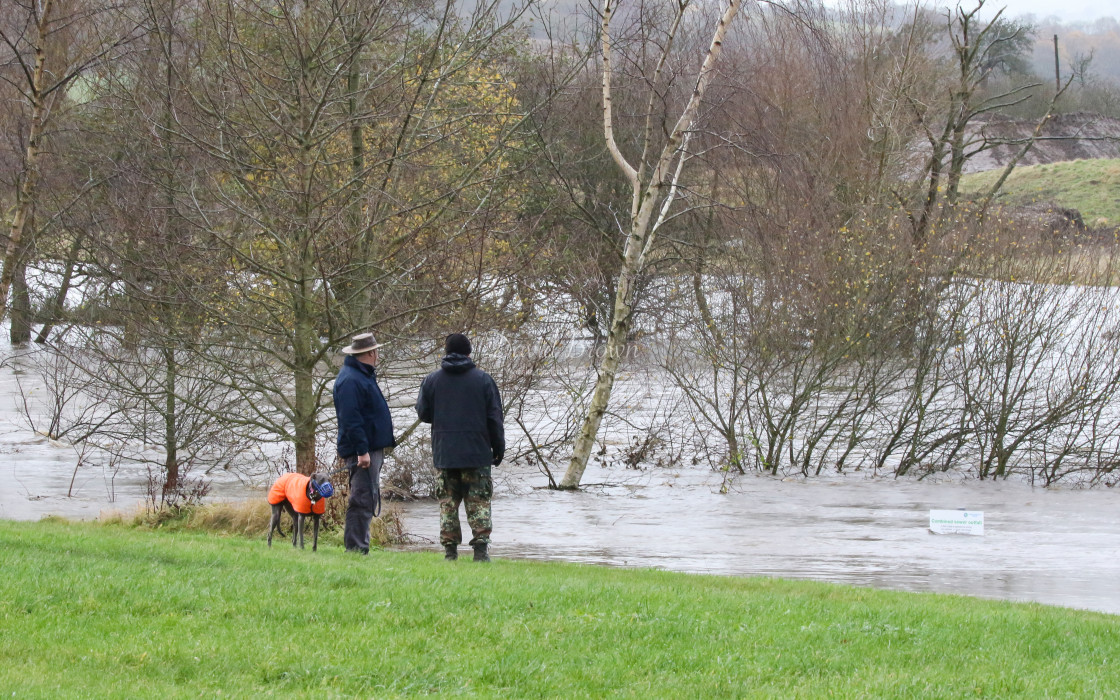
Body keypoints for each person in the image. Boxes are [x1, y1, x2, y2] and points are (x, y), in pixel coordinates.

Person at [416, 333, 504, 562]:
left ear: (445, 353)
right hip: (477, 453)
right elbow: (495, 418)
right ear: (469, 353)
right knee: (479, 502)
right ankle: (481, 551)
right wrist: (498, 447)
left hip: (445, 452)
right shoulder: (484, 380)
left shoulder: (432, 380)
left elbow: (423, 413)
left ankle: (450, 552)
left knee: (448, 503)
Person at [333, 332, 395, 554]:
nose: (378, 355)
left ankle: (360, 545)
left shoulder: (361, 375)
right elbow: (351, 419)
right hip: (363, 450)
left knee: (368, 495)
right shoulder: (351, 379)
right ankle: (356, 548)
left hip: (369, 447)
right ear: (370, 352)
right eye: (376, 351)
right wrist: (362, 451)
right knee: (362, 497)